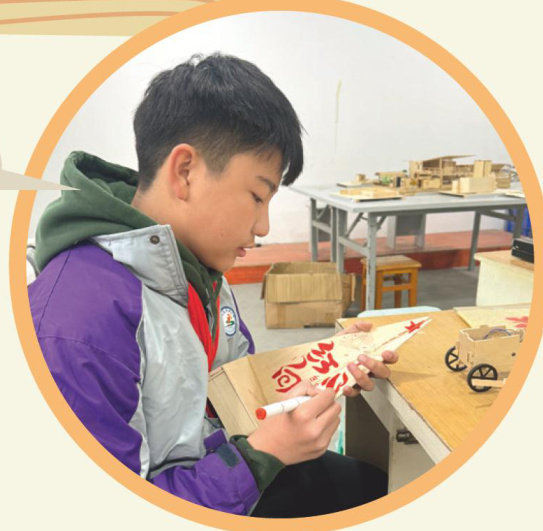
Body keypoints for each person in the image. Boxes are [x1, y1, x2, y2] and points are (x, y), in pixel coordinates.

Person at [28, 53, 397, 517]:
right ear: (185, 171)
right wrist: (259, 458)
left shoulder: (195, 267)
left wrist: (324, 366)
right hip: (207, 492)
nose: (263, 227)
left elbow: (230, 389)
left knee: (381, 487)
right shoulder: (76, 322)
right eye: (257, 196)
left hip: (223, 471)